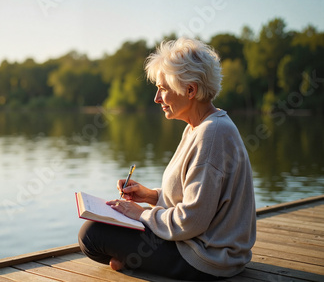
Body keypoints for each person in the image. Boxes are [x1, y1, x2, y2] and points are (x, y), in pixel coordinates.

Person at [78, 37, 256, 281]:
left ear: (190, 90)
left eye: (163, 88)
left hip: (208, 258)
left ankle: (132, 262)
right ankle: (132, 261)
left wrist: (140, 214)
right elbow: (198, 199)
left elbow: (191, 220)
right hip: (196, 245)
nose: (156, 98)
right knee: (96, 234)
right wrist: (151, 196)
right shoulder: (198, 127)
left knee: (93, 235)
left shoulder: (212, 133)